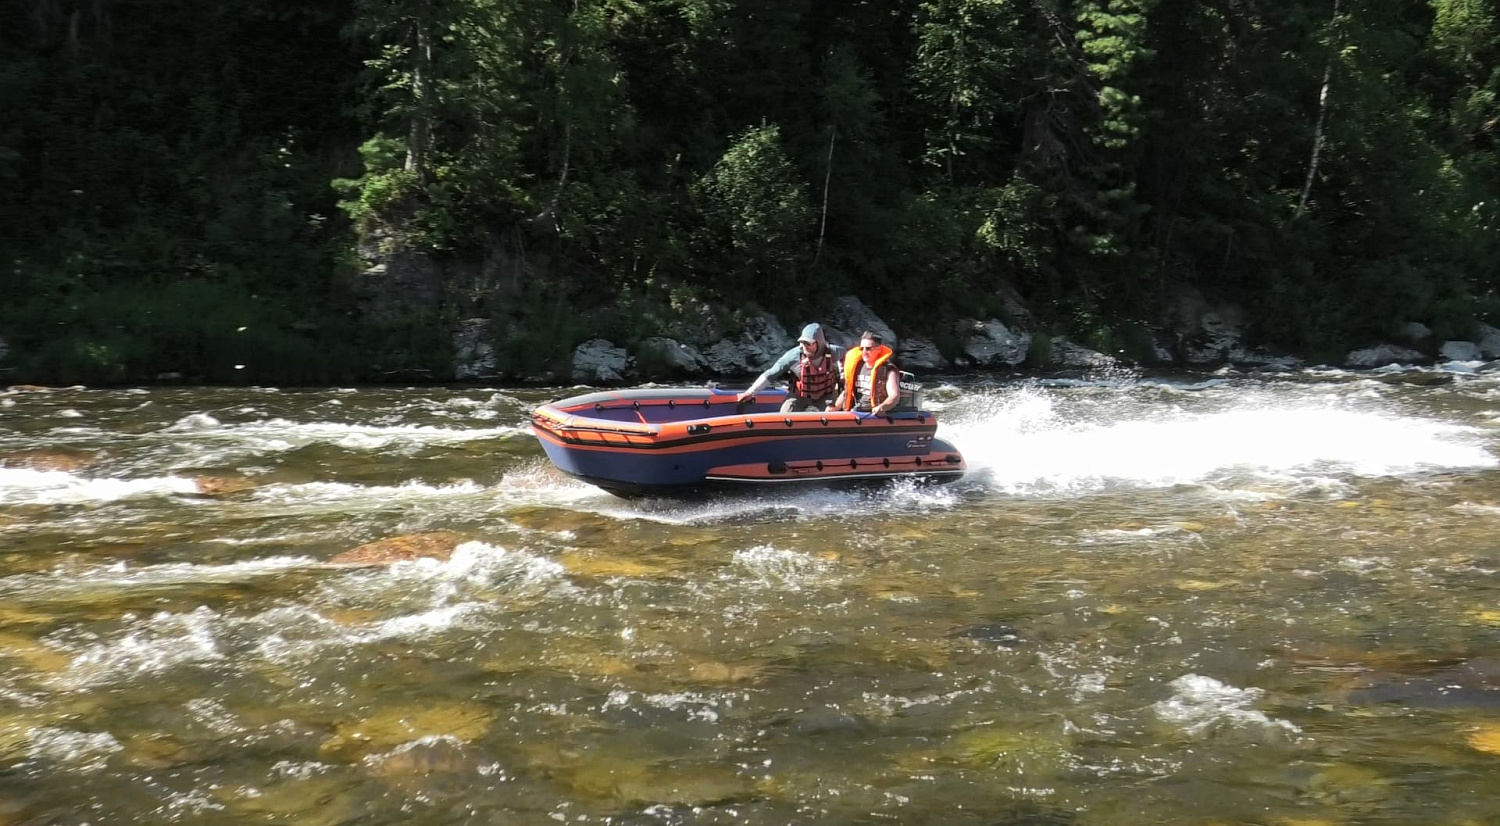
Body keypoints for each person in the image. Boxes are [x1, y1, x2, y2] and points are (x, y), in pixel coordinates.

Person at [737, 323, 845, 413]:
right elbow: (771, 374)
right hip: (799, 397)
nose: (804, 346)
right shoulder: (793, 356)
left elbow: (850, 357)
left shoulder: (834, 352)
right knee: (785, 414)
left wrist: (843, 373)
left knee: (831, 413)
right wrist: (750, 392)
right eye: (802, 342)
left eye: (808, 343)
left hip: (825, 396)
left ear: (819, 343)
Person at [836, 330, 902, 416]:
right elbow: (847, 390)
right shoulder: (856, 366)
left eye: (868, 349)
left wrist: (882, 407)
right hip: (854, 413)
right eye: (861, 348)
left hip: (873, 416)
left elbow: (894, 396)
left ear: (878, 349)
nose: (864, 352)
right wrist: (835, 407)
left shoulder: (888, 369)